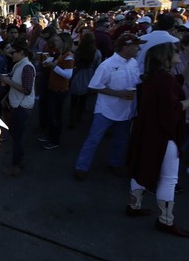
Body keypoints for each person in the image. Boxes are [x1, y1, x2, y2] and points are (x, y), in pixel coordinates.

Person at [127, 42, 189, 237]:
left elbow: (182, 80)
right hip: (163, 133)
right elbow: (175, 107)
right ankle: (165, 221)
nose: (178, 52)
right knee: (169, 179)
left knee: (141, 168)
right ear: (166, 56)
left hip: (148, 131)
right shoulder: (164, 80)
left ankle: (134, 206)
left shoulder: (157, 77)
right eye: (176, 51)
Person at [74, 34, 144, 180]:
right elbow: (94, 86)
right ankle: (81, 167)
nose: (139, 48)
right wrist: (118, 94)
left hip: (126, 111)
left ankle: (116, 163)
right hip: (105, 110)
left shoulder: (133, 63)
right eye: (136, 45)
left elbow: (137, 80)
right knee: (93, 139)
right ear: (126, 47)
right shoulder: (107, 65)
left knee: (121, 139)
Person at [0, 40, 36, 176]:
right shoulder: (19, 65)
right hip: (18, 105)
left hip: (22, 107)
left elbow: (26, 89)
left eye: (13, 52)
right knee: (16, 136)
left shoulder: (26, 67)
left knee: (17, 137)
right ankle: (19, 160)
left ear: (21, 52)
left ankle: (15, 165)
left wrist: (8, 81)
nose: (10, 55)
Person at [39, 32, 75, 150]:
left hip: (59, 90)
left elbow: (68, 75)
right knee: (51, 114)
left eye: (58, 40)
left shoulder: (68, 56)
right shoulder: (62, 54)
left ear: (64, 42)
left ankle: (54, 140)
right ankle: (50, 136)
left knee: (56, 116)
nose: (55, 42)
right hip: (54, 88)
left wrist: (53, 66)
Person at [68, 32, 102, 129]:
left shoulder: (78, 51)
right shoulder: (97, 52)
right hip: (89, 77)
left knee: (73, 101)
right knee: (83, 100)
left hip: (77, 75)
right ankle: (79, 116)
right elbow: (98, 67)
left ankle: (72, 120)